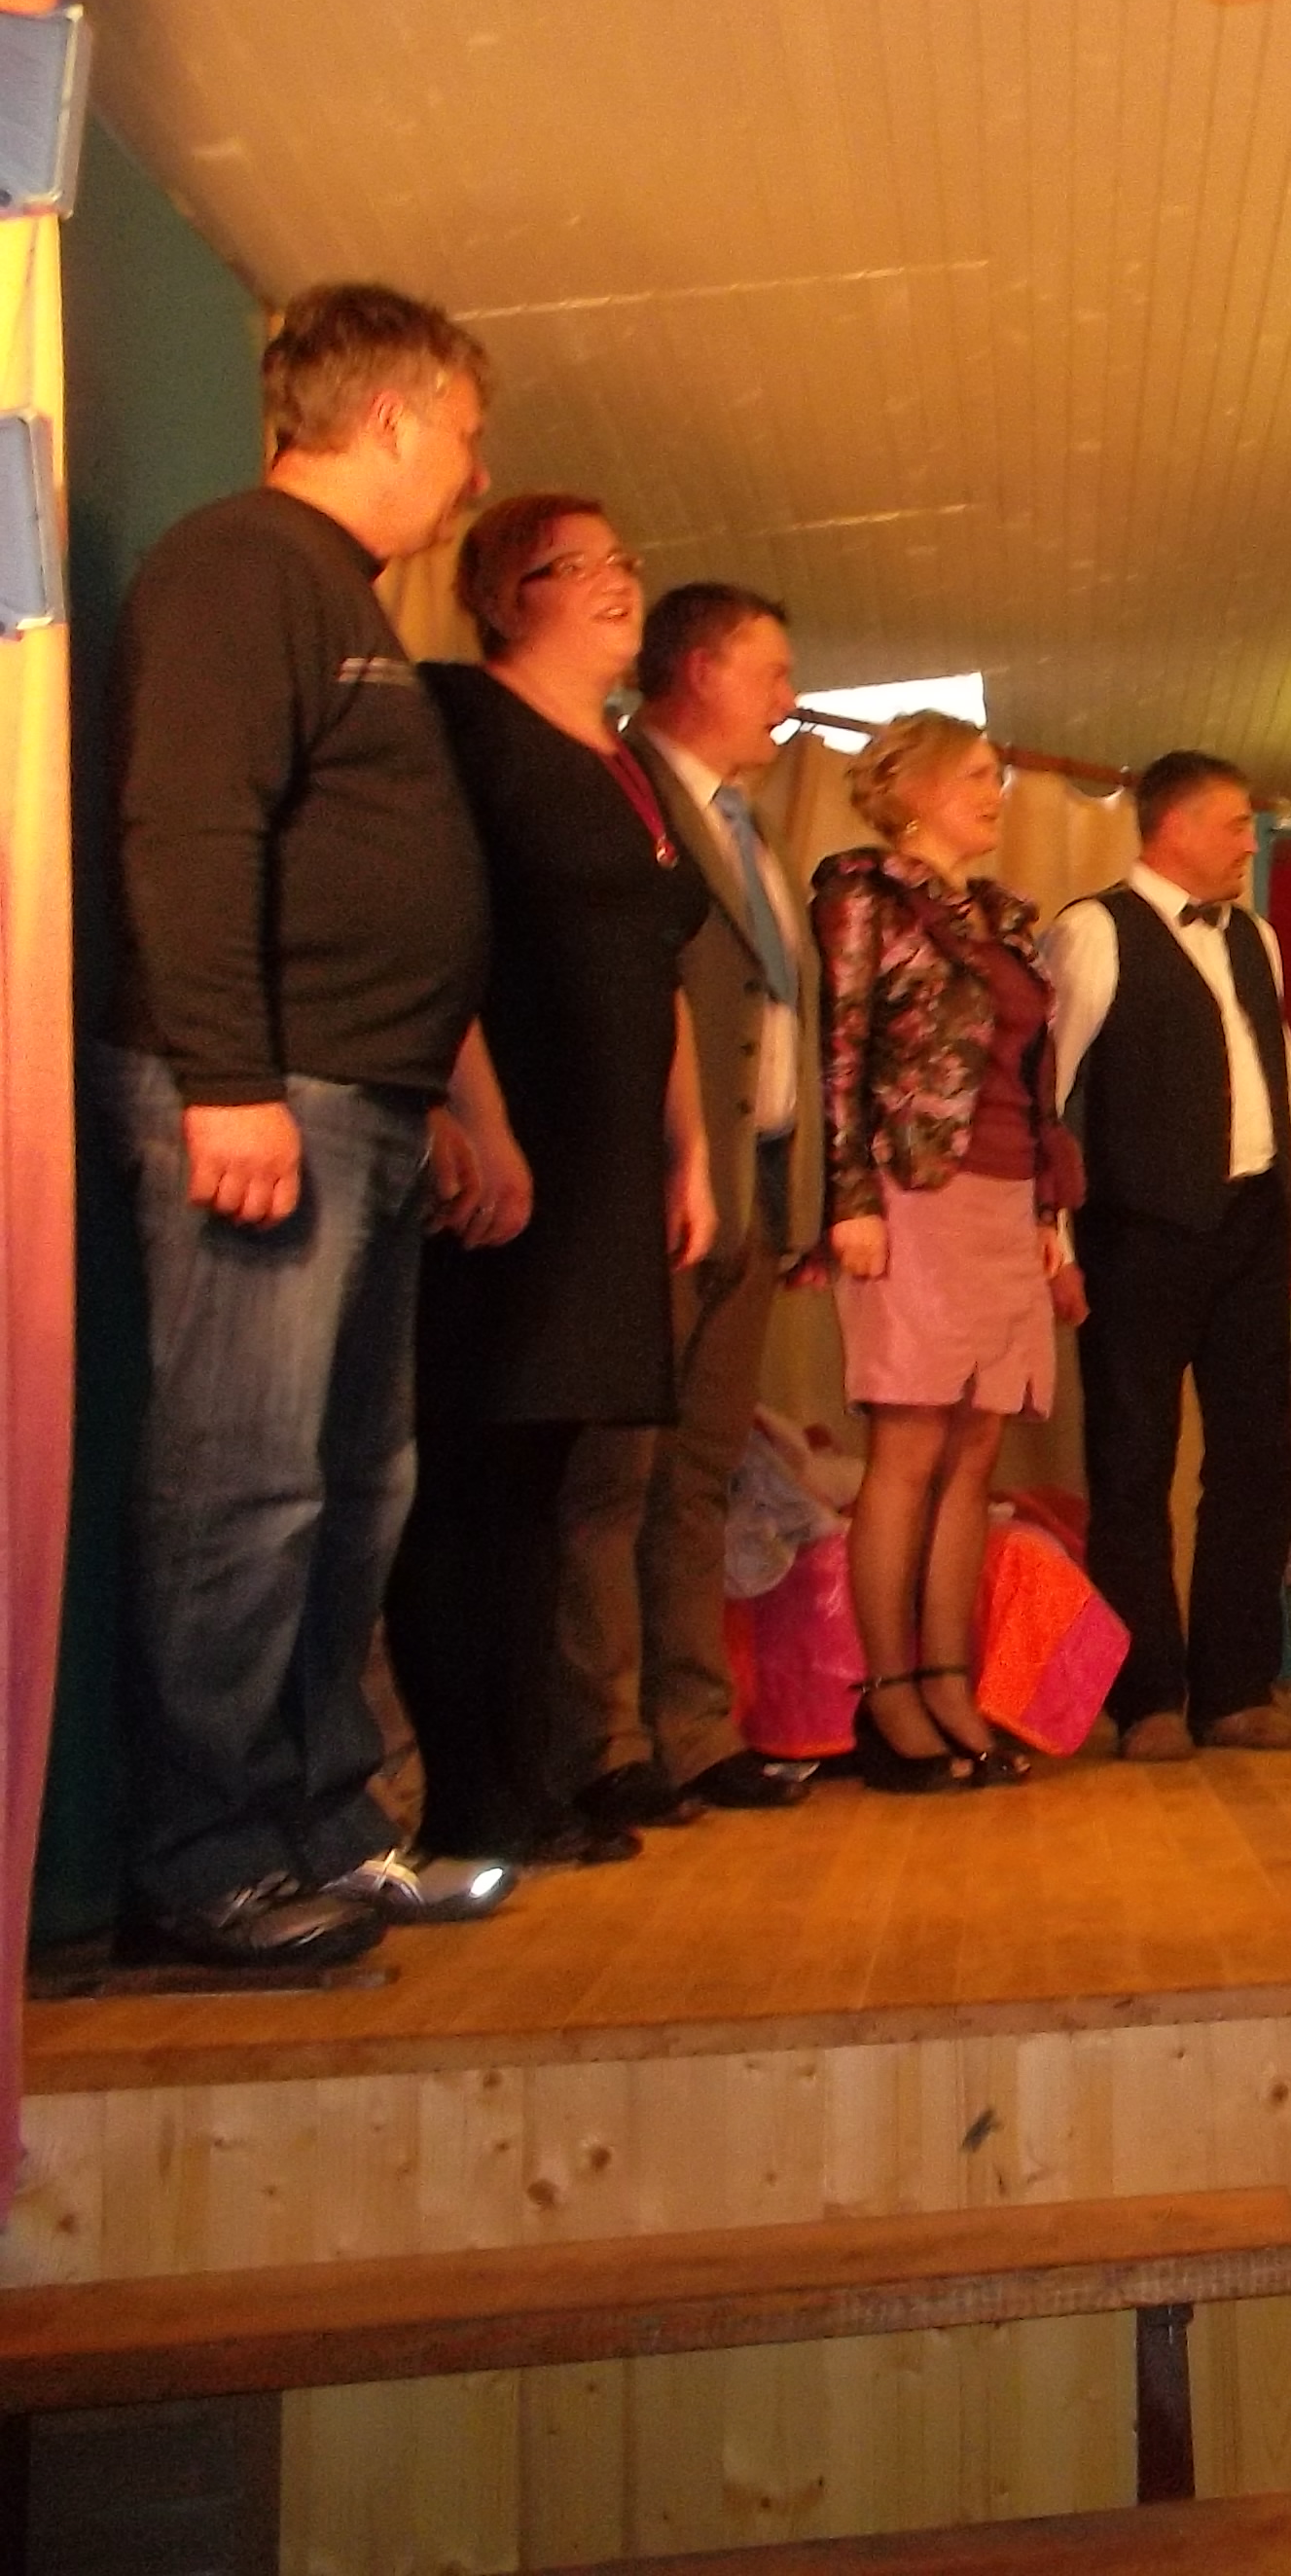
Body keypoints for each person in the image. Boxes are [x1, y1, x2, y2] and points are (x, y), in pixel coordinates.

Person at [97, 282, 501, 1966]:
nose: (474, 476)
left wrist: (440, 1100)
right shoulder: (240, 564)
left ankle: (330, 1825)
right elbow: (190, 826)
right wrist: (229, 1080)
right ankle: (203, 1862)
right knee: (244, 1486)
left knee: (351, 1484)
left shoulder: (338, 594)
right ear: (392, 418)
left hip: (364, 1101)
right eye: (465, 436)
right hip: (272, 1095)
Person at [384, 492, 718, 1865]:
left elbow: (662, 970)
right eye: (576, 565)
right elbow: (436, 927)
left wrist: (690, 1152)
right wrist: (477, 1112)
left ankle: (532, 1782)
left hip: (611, 1162)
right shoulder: (462, 720)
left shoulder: (626, 761)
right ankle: (474, 1797)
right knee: (479, 1472)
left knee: (545, 1480)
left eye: (623, 558)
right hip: (515, 1147)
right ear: (502, 595)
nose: (616, 580)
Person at [556, 583, 822, 1832]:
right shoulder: (622, 792)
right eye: (773, 674)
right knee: (614, 1473)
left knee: (703, 1476)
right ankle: (602, 1741)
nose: (789, 700)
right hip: (657, 1191)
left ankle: (695, 1731)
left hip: (751, 1195)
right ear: (703, 670)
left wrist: (798, 1200)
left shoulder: (750, 828)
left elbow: (783, 1019)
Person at [1042, 750, 1291, 1760]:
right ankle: (1148, 1699)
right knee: (1133, 1462)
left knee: (1258, 1458)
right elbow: (1048, 1094)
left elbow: (1279, 1075)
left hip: (1252, 1221)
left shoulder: (1255, 938)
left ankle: (1235, 1688)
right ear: (1173, 827)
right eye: (1235, 824)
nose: (1251, 842)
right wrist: (1054, 1237)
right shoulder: (1094, 931)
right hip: (1136, 1230)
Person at [813, 713, 1077, 1790]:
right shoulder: (867, 893)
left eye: (996, 776)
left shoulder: (1006, 918)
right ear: (914, 787)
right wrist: (849, 1197)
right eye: (974, 774)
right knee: (911, 1446)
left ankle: (949, 1679)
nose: (993, 793)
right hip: (915, 1192)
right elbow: (842, 1049)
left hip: (1008, 1200)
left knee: (976, 1452)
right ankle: (888, 1697)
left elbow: (1033, 1079)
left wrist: (1052, 1215)